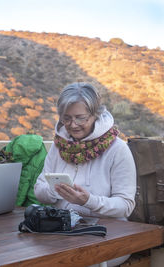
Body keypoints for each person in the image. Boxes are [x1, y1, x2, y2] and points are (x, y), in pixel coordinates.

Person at [34, 82, 136, 267]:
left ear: (95, 114)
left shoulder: (118, 149)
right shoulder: (59, 146)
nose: (73, 125)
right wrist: (56, 191)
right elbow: (39, 189)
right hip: (63, 231)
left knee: (81, 261)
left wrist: (88, 201)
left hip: (108, 233)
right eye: (66, 118)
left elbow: (125, 205)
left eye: (80, 118)